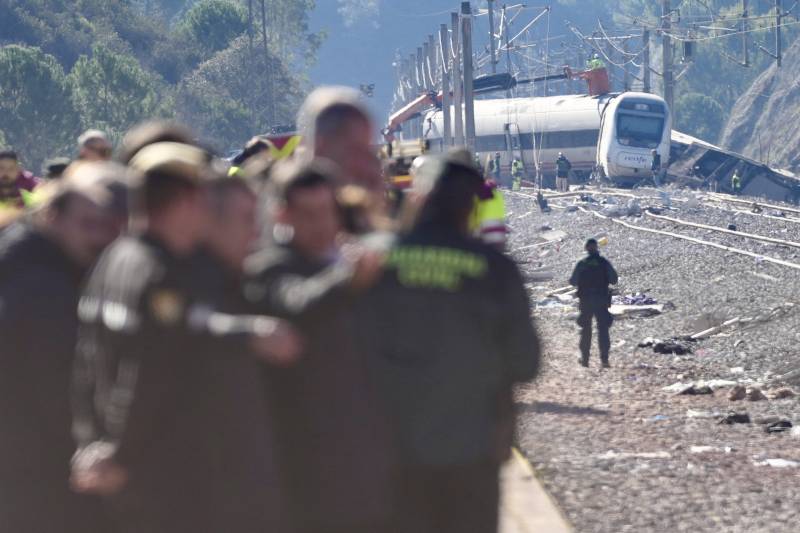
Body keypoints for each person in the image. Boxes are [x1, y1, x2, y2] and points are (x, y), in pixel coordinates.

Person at [70, 142, 300, 533]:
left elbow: (84, 365)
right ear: (186, 201)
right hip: (167, 479)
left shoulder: (111, 261)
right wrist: (120, 453)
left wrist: (90, 443)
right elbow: (149, 367)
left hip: (132, 480)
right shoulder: (159, 272)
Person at [364, 153, 541, 533]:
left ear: (418, 198)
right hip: (472, 449)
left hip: (389, 450)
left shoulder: (376, 259)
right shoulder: (496, 269)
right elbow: (526, 362)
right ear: (470, 207)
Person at [244, 160, 395, 533]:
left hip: (363, 463)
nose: (322, 225)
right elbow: (298, 301)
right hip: (304, 465)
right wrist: (347, 276)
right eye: (308, 214)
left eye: (327, 212)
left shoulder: (345, 262)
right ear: (282, 215)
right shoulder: (270, 267)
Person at [0, 162, 125, 533]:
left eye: (105, 226)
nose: (99, 237)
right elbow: (62, 388)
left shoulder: (24, 266)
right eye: (87, 224)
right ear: (53, 217)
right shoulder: (44, 290)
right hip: (40, 476)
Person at [297, 86, 383, 193]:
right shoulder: (300, 198)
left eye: (367, 150)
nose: (365, 162)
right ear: (320, 146)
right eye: (355, 150)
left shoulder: (361, 195)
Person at [569, 238, 618, 368]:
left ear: (586, 248)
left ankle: (585, 359)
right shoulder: (603, 262)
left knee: (586, 330)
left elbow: (573, 281)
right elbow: (614, 279)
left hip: (586, 301)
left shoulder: (582, 263)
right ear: (597, 248)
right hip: (601, 300)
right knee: (603, 330)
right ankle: (604, 360)